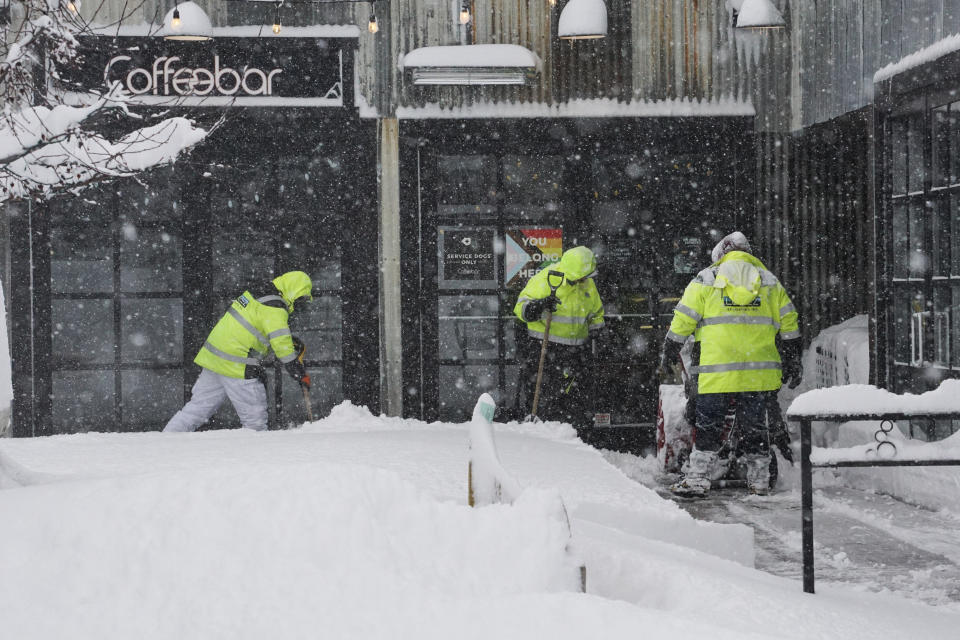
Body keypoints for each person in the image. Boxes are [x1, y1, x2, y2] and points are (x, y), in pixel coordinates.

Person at [660, 232, 801, 496]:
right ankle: (759, 482)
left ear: (720, 255)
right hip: (757, 374)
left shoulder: (707, 278)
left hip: (717, 373)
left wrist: (670, 347)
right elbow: (789, 321)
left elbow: (684, 318)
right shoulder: (769, 281)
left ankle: (698, 479)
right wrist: (793, 357)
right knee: (756, 428)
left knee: (708, 427)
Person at [163, 271, 313, 433]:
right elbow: (282, 347)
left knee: (196, 409)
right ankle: (255, 456)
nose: (299, 304)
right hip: (237, 362)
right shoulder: (275, 308)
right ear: (293, 290)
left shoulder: (255, 294)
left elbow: (254, 327)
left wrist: (284, 341)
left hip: (215, 357)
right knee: (255, 423)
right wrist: (299, 372)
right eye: (300, 298)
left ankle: (166, 441)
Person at [513, 246, 605, 428]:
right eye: (582, 277)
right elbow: (520, 308)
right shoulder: (545, 279)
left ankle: (570, 431)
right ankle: (542, 429)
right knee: (544, 394)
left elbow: (596, 311)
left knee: (572, 395)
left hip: (576, 350)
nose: (585, 280)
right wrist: (538, 307)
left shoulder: (588, 284)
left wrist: (597, 329)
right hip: (545, 348)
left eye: (586, 276)